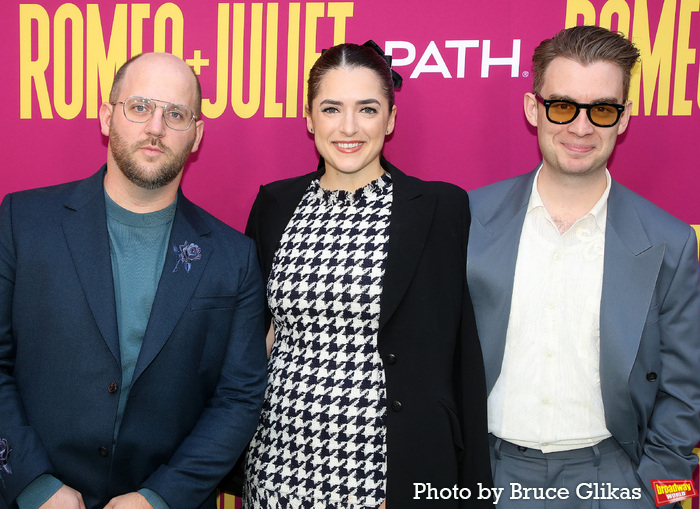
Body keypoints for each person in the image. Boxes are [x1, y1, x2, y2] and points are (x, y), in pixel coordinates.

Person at [0, 52, 267, 509]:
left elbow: (238, 398)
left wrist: (160, 497)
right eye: (140, 107)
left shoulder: (233, 256)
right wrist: (33, 485)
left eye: (176, 114)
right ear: (108, 117)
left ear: (196, 134)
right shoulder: (23, 222)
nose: (156, 127)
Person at [242, 41, 492, 508]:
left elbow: (463, 360)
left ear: (391, 119)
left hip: (385, 479)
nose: (349, 127)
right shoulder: (275, 205)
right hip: (276, 468)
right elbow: (251, 336)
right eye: (332, 108)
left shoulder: (441, 209)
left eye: (368, 109)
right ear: (309, 118)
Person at [467, 25, 700, 508]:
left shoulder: (670, 243)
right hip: (483, 475)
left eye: (602, 109)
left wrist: (654, 496)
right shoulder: (464, 220)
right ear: (534, 109)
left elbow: (686, 392)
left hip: (615, 481)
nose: (580, 127)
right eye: (562, 106)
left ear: (623, 119)